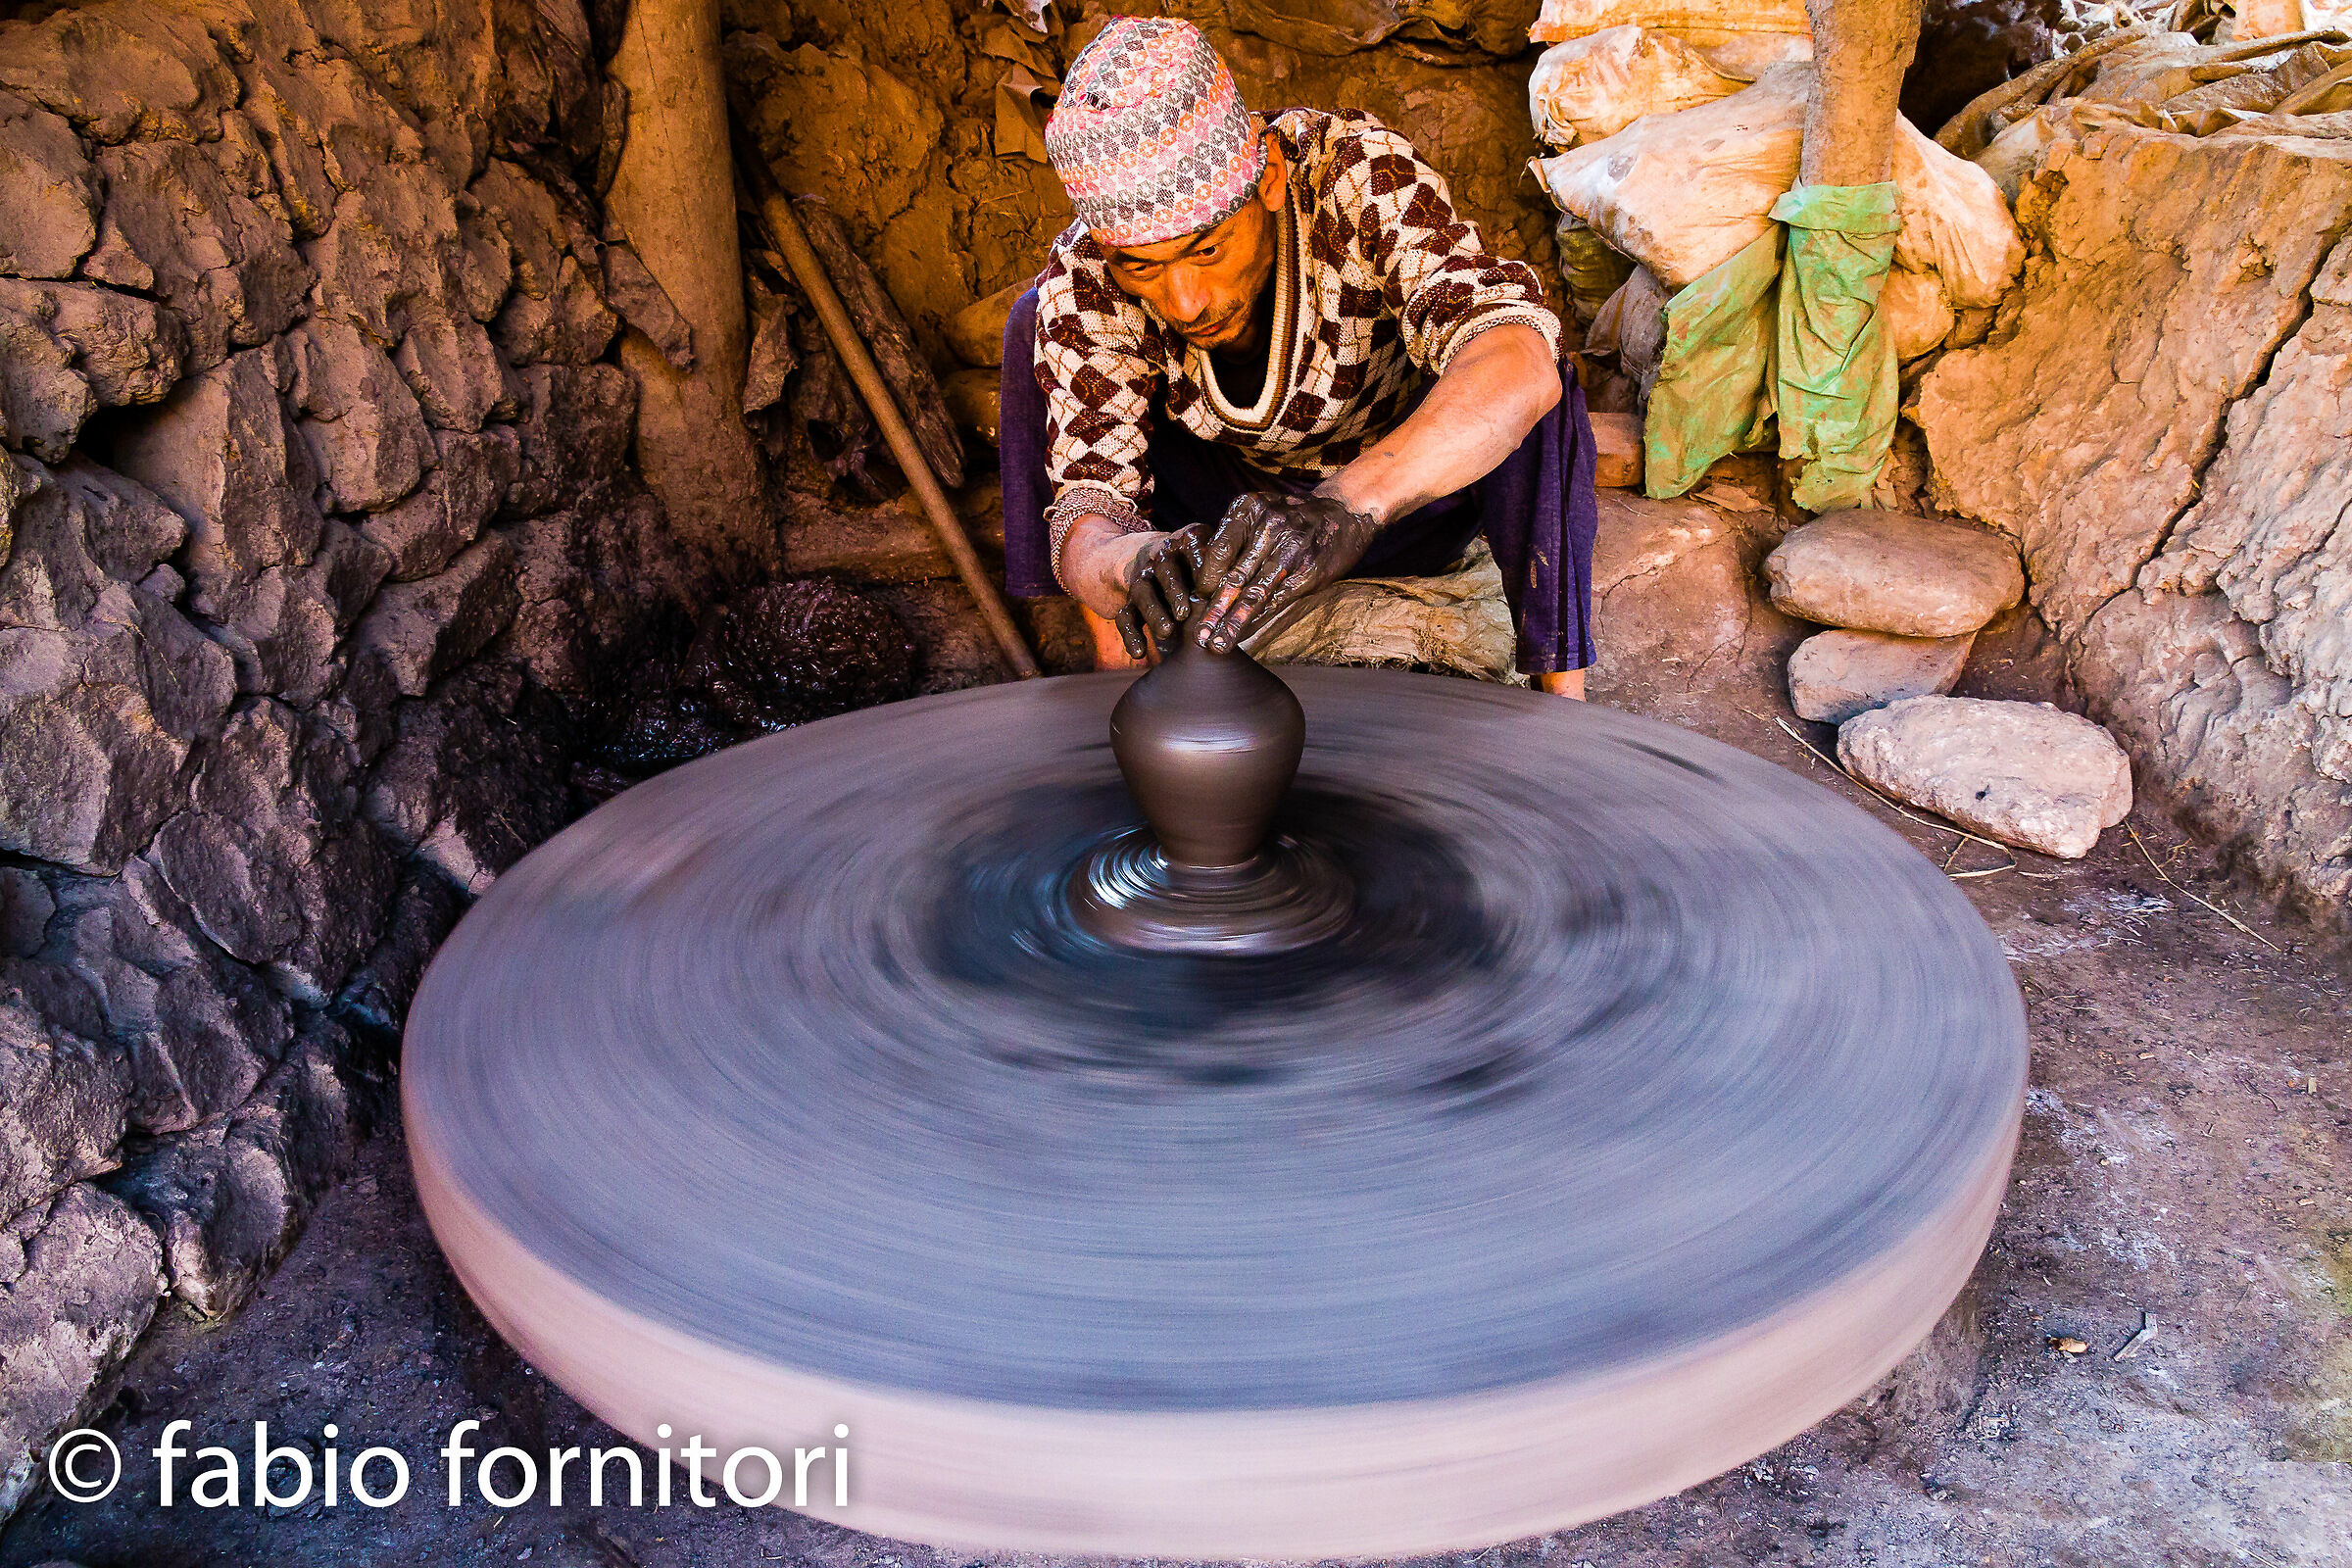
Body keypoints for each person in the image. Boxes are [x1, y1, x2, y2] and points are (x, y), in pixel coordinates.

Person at [999, 16, 1598, 696]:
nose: (1186, 301)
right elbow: (1088, 522)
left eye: (1208, 249)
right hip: (1236, 529)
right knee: (1035, 319)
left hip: (1404, 505)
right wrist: (1127, 561)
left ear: (1272, 179)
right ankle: (1118, 673)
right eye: (1143, 268)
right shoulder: (1091, 278)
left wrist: (1347, 505)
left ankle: (1565, 701)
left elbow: (1515, 362)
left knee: (1525, 356)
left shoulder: (1356, 179)